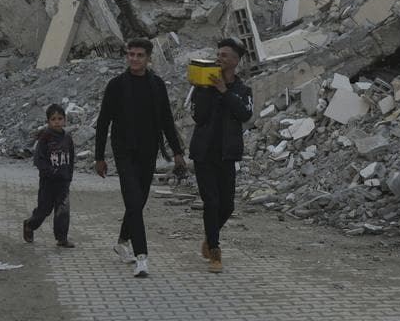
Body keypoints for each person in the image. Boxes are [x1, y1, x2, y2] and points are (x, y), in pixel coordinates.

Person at [94, 38, 186, 278]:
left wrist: (177, 153)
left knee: (138, 202)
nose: (134, 59)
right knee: (134, 202)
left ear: (148, 58)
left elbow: (166, 120)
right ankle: (142, 258)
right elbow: (103, 122)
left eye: (139, 55)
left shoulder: (156, 85)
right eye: (130, 54)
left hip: (148, 152)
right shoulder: (116, 86)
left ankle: (122, 241)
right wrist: (99, 157)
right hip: (124, 152)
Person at [188, 38, 253, 273]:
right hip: (203, 153)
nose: (219, 59)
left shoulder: (242, 90)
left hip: (228, 155)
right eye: (218, 54)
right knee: (211, 202)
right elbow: (198, 117)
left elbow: (245, 114)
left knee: (227, 206)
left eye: (225, 55)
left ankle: (209, 236)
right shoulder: (202, 85)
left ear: (235, 61)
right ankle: (215, 252)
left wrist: (225, 92)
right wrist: (208, 90)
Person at [23, 104, 76, 248]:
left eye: (60, 118)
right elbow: (38, 160)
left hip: (63, 182)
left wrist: (68, 176)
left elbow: (71, 159)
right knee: (44, 210)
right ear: (48, 121)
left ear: (65, 120)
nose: (57, 122)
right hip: (48, 182)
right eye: (53, 119)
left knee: (63, 210)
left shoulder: (67, 138)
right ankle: (29, 225)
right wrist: (50, 171)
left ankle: (62, 238)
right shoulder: (45, 138)